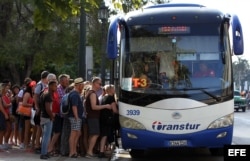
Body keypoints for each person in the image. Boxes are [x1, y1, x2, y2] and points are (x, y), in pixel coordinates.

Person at [85, 77, 111, 158]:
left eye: (101, 84)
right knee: (95, 134)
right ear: (94, 84)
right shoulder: (92, 94)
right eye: (99, 84)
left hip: (92, 116)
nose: (100, 85)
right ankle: (89, 152)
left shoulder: (91, 93)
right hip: (93, 117)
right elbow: (94, 107)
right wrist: (105, 106)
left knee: (93, 134)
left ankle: (90, 151)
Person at [99, 84, 118, 158]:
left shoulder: (104, 97)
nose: (114, 90)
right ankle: (101, 151)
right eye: (113, 89)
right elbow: (115, 110)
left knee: (104, 135)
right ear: (110, 90)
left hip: (103, 118)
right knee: (105, 135)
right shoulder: (111, 98)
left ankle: (102, 150)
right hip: (108, 119)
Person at [40, 79, 57, 160]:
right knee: (46, 137)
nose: (56, 87)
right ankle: (43, 153)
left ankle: (45, 152)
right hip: (46, 118)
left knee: (45, 136)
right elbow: (48, 108)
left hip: (43, 117)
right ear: (50, 86)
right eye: (54, 86)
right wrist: (52, 117)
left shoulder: (44, 94)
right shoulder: (48, 95)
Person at [67, 77, 85, 158]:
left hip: (76, 117)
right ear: (79, 85)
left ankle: (74, 151)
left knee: (77, 133)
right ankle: (72, 152)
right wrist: (77, 117)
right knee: (73, 134)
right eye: (82, 85)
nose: (83, 86)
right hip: (75, 117)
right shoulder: (74, 94)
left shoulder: (75, 93)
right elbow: (74, 107)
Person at [33, 70, 49, 153]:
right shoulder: (39, 85)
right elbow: (35, 96)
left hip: (43, 108)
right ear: (45, 77)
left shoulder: (45, 85)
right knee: (39, 127)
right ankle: (37, 145)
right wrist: (37, 107)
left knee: (42, 128)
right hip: (40, 108)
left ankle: (40, 144)